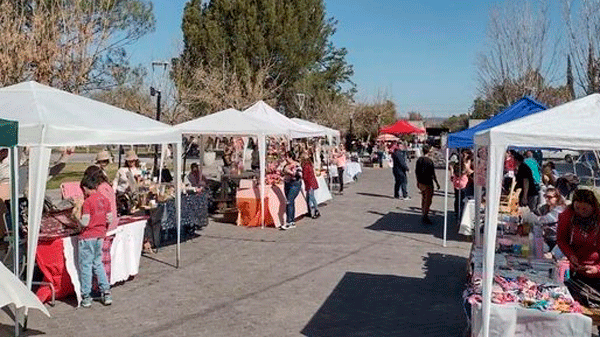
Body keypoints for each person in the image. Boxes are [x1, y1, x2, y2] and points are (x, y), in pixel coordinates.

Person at [73, 171, 113, 308]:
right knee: (98, 263)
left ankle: (86, 296)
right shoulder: (105, 199)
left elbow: (85, 222)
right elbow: (109, 218)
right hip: (100, 235)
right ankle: (106, 292)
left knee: (86, 266)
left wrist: (75, 218)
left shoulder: (88, 202)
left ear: (85, 188)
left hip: (87, 236)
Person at [557, 189, 600, 299]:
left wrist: (597, 268)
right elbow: (561, 239)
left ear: (593, 207)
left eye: (585, 209)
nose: (580, 212)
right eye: (577, 208)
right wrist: (570, 256)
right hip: (577, 269)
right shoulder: (568, 215)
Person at [415, 145, 440, 225]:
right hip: (428, 182)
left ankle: (423, 212)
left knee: (423, 198)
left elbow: (417, 172)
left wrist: (417, 181)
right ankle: (425, 215)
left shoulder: (419, 160)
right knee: (428, 200)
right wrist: (437, 183)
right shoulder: (429, 161)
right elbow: (433, 174)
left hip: (421, 182)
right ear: (428, 151)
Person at [281, 152, 302, 230]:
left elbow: (299, 175)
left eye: (286, 157)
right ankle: (291, 221)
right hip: (287, 184)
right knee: (290, 202)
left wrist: (289, 172)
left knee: (289, 201)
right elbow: (282, 172)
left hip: (294, 184)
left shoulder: (297, 165)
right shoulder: (286, 165)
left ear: (290, 157)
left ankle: (289, 222)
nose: (285, 159)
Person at [301, 151, 320, 219]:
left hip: (309, 184)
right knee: (310, 198)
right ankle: (311, 211)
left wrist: (301, 176)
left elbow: (305, 176)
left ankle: (315, 211)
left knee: (311, 198)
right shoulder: (310, 164)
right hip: (311, 183)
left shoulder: (306, 166)